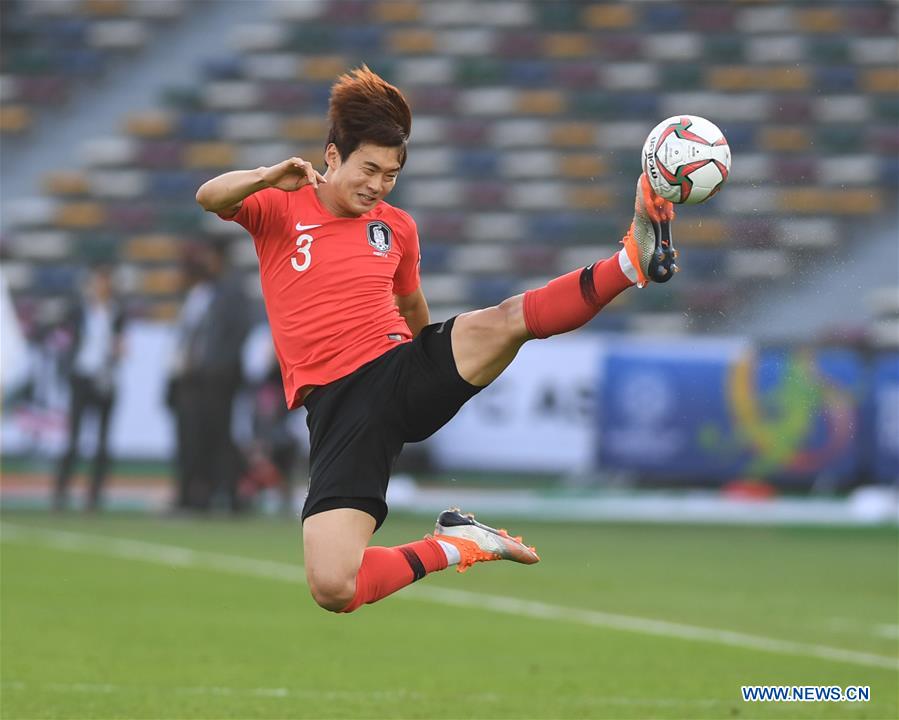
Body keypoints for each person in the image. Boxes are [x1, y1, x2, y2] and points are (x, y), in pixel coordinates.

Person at [196, 66, 676, 613]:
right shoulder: (280, 206)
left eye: (391, 175)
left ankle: (629, 261)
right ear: (332, 156)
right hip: (339, 410)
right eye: (368, 169)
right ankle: (458, 543)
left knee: (505, 319)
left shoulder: (396, 226)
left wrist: (438, 363)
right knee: (334, 586)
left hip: (398, 370)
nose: (377, 186)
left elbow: (411, 304)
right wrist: (264, 176)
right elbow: (209, 196)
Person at [167, 241, 251, 513]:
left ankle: (227, 495)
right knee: (195, 438)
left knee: (219, 437)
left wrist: (217, 367)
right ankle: (197, 495)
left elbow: (237, 334)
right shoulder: (200, 293)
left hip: (217, 380)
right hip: (193, 379)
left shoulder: (231, 293)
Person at [54, 263, 126, 511]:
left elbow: (121, 346)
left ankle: (94, 496)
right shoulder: (77, 311)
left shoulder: (117, 313)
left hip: (105, 380)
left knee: (103, 442)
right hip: (82, 377)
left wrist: (119, 352)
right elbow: (63, 339)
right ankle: (61, 493)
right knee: (73, 438)